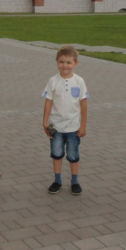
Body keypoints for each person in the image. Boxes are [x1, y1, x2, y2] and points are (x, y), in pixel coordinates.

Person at [42, 46, 89, 195]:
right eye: (61, 62)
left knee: (73, 156)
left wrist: (83, 125)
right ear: (57, 62)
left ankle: (75, 181)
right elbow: (48, 101)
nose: (65, 65)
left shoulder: (79, 81)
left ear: (75, 63)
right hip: (56, 127)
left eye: (69, 62)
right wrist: (45, 121)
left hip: (73, 127)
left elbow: (83, 104)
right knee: (56, 154)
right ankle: (57, 180)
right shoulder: (53, 81)